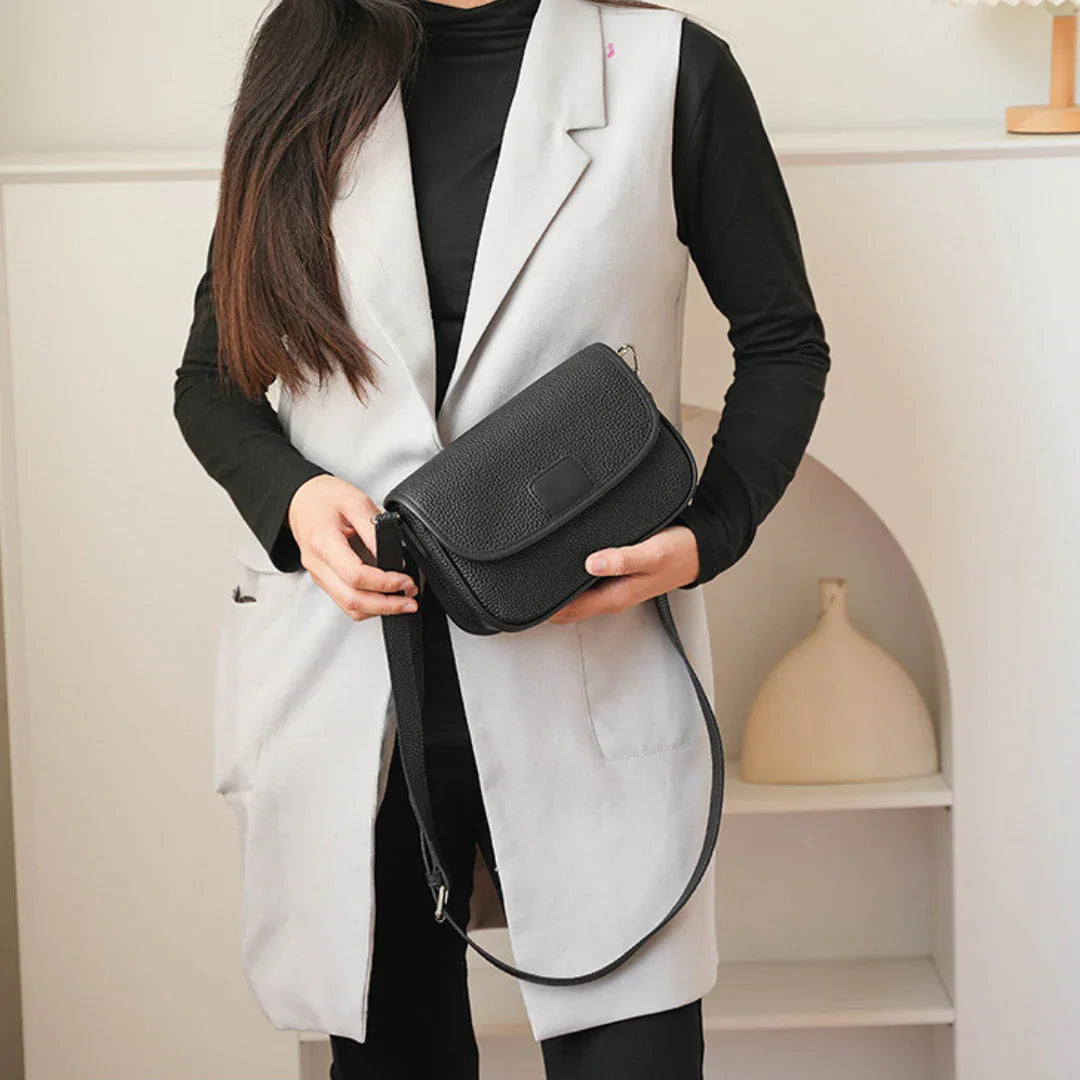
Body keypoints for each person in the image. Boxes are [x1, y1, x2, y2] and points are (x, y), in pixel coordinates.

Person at [173, 0, 831, 1075]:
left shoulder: (672, 72)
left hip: (587, 661)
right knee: (393, 1051)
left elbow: (782, 344)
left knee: (635, 1051)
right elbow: (214, 378)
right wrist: (295, 500)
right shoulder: (305, 58)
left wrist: (708, 534)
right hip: (359, 684)